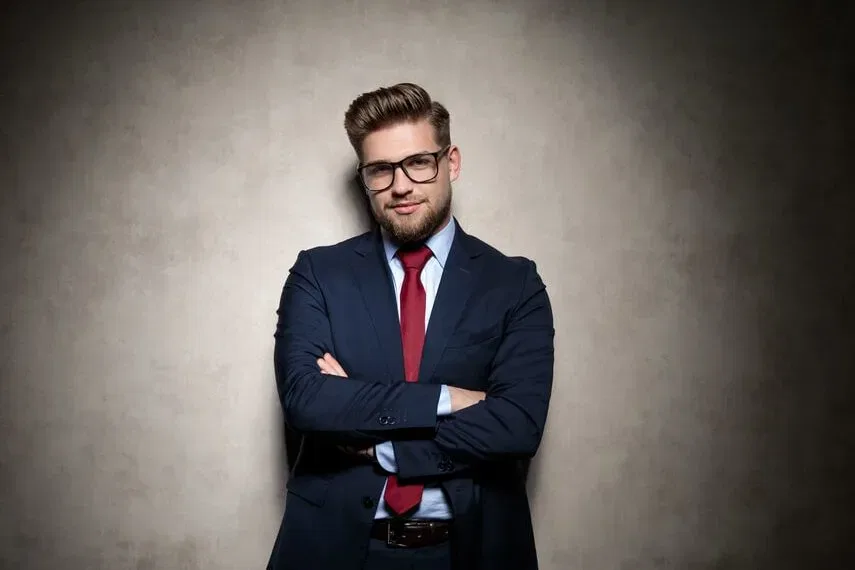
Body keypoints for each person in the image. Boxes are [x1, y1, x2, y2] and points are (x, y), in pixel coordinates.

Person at [266, 82, 555, 570]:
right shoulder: (318, 273)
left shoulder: (514, 283)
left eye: (419, 162)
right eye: (380, 169)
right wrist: (449, 399)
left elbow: (518, 425)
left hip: (472, 551)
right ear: (364, 178)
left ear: (451, 162)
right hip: (332, 550)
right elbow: (306, 400)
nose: (400, 186)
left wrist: (380, 444)